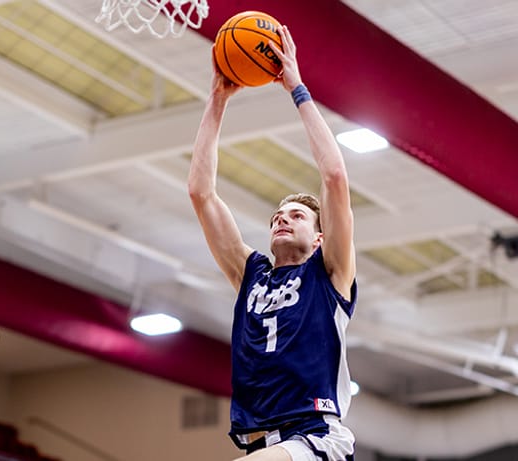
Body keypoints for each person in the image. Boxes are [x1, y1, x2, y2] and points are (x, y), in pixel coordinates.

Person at [188, 25, 357, 461]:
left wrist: (296, 87)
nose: (283, 218)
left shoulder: (329, 274)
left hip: (313, 438)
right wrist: (217, 100)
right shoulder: (251, 274)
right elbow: (200, 193)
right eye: (277, 215)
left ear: (319, 239)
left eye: (297, 215)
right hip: (259, 441)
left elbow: (335, 178)